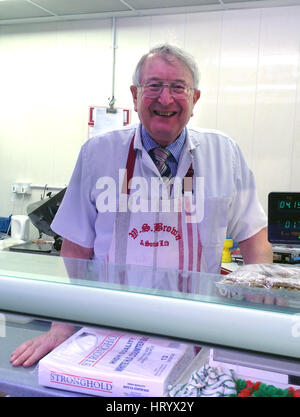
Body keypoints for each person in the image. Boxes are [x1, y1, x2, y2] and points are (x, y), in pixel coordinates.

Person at [10, 44, 273, 368]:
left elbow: (255, 239)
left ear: (195, 99)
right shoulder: (98, 153)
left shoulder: (224, 154)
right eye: (154, 86)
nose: (165, 98)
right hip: (109, 336)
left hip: (197, 337)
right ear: (135, 95)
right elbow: (75, 250)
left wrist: (257, 316)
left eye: (178, 87)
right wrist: (61, 327)